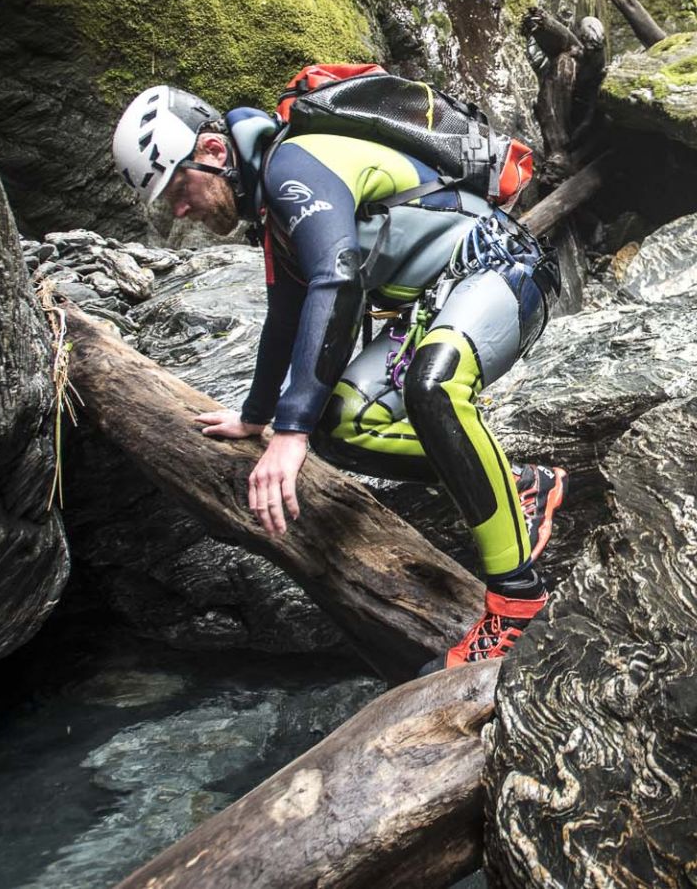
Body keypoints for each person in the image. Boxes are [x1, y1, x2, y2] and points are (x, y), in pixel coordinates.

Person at [111, 83, 565, 670]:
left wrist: (288, 434)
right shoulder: (274, 214)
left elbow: (337, 279)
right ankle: (524, 485)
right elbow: (285, 318)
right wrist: (257, 418)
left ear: (215, 152)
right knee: (341, 425)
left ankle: (517, 603)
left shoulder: (294, 164)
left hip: (502, 270)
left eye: (177, 187)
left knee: (433, 388)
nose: (178, 209)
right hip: (432, 301)